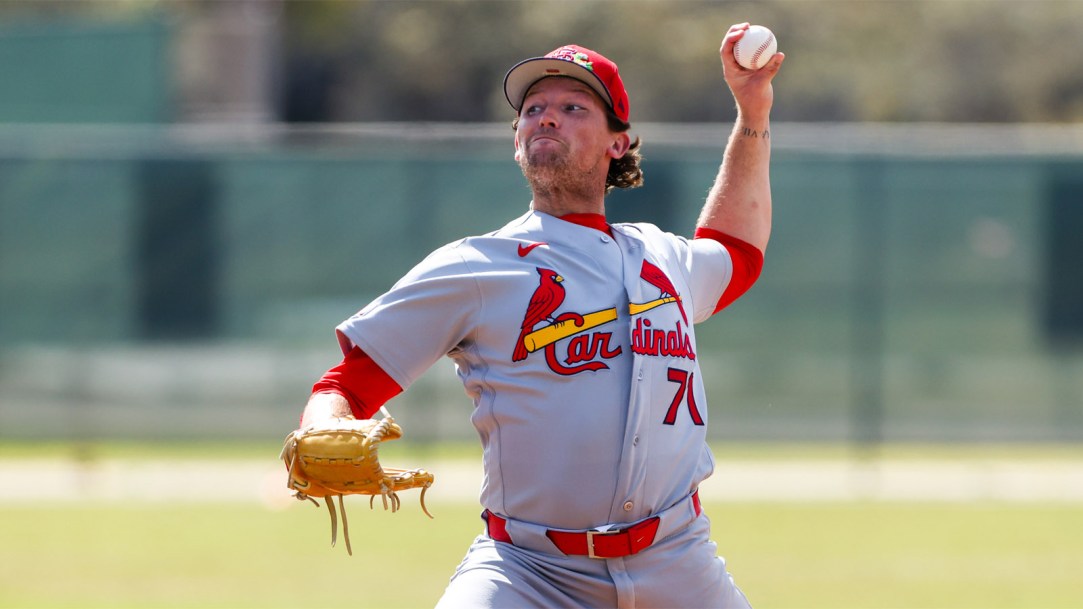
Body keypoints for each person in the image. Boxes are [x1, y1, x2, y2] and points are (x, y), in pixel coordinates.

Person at [295, 23, 784, 609]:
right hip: (529, 570)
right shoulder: (476, 267)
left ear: (618, 144)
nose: (546, 117)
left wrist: (752, 112)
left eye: (574, 107)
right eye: (533, 109)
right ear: (517, 139)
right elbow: (346, 384)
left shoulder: (663, 257)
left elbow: (738, 252)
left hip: (678, 561)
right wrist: (326, 422)